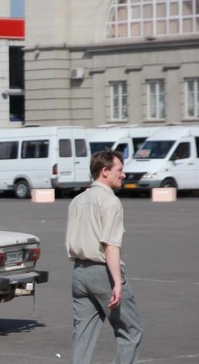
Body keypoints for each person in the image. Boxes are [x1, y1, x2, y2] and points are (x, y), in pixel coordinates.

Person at [65, 151, 142, 363]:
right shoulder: (111, 201)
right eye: (120, 170)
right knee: (130, 331)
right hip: (103, 272)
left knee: (83, 334)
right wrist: (117, 282)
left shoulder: (77, 200)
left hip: (79, 273)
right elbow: (110, 246)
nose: (124, 175)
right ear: (105, 171)